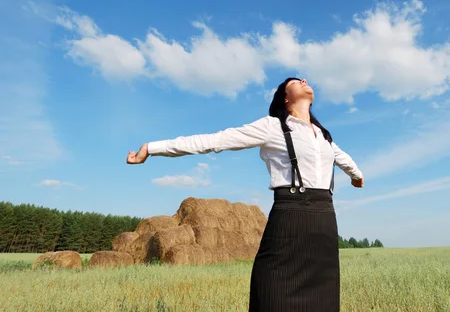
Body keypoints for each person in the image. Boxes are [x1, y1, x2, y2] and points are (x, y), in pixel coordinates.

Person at [126, 77, 365, 312]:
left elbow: (343, 158)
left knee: (323, 297)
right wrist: (152, 148)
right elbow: (216, 140)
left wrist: (357, 175)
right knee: (273, 291)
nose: (303, 80)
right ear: (285, 97)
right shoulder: (273, 127)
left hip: (324, 220)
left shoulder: (323, 136)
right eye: (295, 81)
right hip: (290, 216)